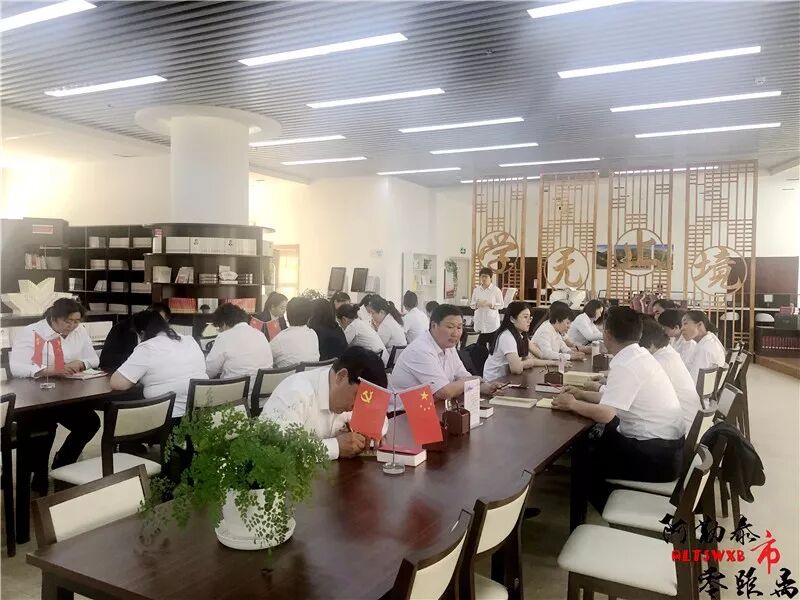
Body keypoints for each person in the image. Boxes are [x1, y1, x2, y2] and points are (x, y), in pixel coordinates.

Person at [552, 306, 685, 509]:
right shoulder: (639, 354)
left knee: (584, 462)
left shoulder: (625, 363)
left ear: (606, 334)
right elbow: (616, 399)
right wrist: (581, 394)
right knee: (597, 440)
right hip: (669, 449)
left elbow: (606, 414)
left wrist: (572, 404)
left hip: (655, 458)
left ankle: (615, 510)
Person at [9, 298, 102, 491]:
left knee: (90, 423)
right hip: (37, 396)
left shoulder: (79, 331)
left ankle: (63, 463)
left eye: (76, 321)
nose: (72, 326)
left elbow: (93, 359)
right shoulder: (32, 332)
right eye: (68, 321)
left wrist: (81, 363)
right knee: (45, 426)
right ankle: (39, 473)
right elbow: (16, 367)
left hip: (67, 394)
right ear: (54, 318)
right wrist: (48, 370)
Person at [261, 347, 388, 460]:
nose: (357, 407)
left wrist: (369, 431)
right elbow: (277, 448)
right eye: (357, 396)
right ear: (341, 376)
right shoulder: (295, 393)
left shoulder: (352, 393)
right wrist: (336, 447)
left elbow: (382, 420)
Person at [390, 304, 504, 400]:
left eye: (459, 327)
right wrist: (475, 380)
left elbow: (462, 376)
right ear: (434, 325)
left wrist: (487, 388)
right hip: (405, 413)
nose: (456, 333)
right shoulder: (420, 350)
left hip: (434, 407)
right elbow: (444, 392)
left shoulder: (448, 347)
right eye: (450, 327)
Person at [110, 310, 207, 421]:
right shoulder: (190, 340)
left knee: (122, 419)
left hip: (167, 419)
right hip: (200, 416)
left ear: (142, 333)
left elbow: (117, 383)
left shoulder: (148, 347)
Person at [639, 316, 701, 435]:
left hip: (681, 431)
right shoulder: (668, 354)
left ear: (651, 344)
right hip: (687, 423)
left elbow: (638, 394)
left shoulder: (659, 362)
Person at [483, 302, 559, 381]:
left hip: (507, 378)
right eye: (525, 317)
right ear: (512, 319)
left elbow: (539, 355)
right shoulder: (507, 337)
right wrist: (529, 362)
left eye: (530, 317)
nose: (529, 321)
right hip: (494, 381)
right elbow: (516, 369)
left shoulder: (521, 335)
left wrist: (554, 363)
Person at [205, 302, 273, 381]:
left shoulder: (224, 337)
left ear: (223, 324)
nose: (219, 331)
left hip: (236, 387)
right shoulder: (260, 334)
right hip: (263, 386)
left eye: (219, 328)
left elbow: (209, 371)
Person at [99, 302, 171, 372]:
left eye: (160, 322)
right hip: (121, 372)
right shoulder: (123, 328)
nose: (156, 324)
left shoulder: (165, 334)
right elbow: (106, 361)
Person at [269, 297, 320, 368]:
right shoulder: (313, 334)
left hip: (288, 375)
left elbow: (265, 356)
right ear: (310, 317)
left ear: (287, 315)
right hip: (311, 374)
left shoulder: (280, 338)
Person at [682, 310, 726, 382]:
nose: (682, 328)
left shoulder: (704, 349)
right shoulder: (708, 342)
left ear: (700, 325)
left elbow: (695, 381)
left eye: (685, 323)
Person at [469, 267, 504, 345]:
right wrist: (477, 304)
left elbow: (501, 305)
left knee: (493, 347)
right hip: (479, 323)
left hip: (492, 324)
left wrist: (490, 304)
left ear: (490, 278)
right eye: (482, 276)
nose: (484, 279)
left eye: (486, 276)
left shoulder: (496, 290)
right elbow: (472, 305)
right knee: (479, 347)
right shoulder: (476, 290)